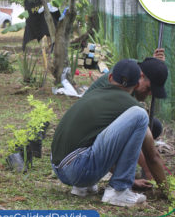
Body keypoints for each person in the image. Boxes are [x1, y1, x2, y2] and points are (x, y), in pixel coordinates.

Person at [51, 59, 167, 207]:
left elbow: (109, 148)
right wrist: (168, 191)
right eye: (150, 89)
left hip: (59, 167)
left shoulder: (98, 92)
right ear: (137, 82)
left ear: (111, 78)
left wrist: (130, 178)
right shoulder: (130, 105)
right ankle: (119, 191)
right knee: (140, 115)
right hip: (78, 168)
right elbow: (153, 157)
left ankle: (83, 186)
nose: (150, 94)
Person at [85, 48, 168, 184]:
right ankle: (119, 179)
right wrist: (149, 170)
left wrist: (156, 65)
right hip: (91, 139)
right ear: (140, 77)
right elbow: (136, 134)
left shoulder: (134, 71)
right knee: (140, 125)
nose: (149, 95)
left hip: (104, 127)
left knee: (154, 126)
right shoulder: (121, 85)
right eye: (148, 89)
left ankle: (123, 171)